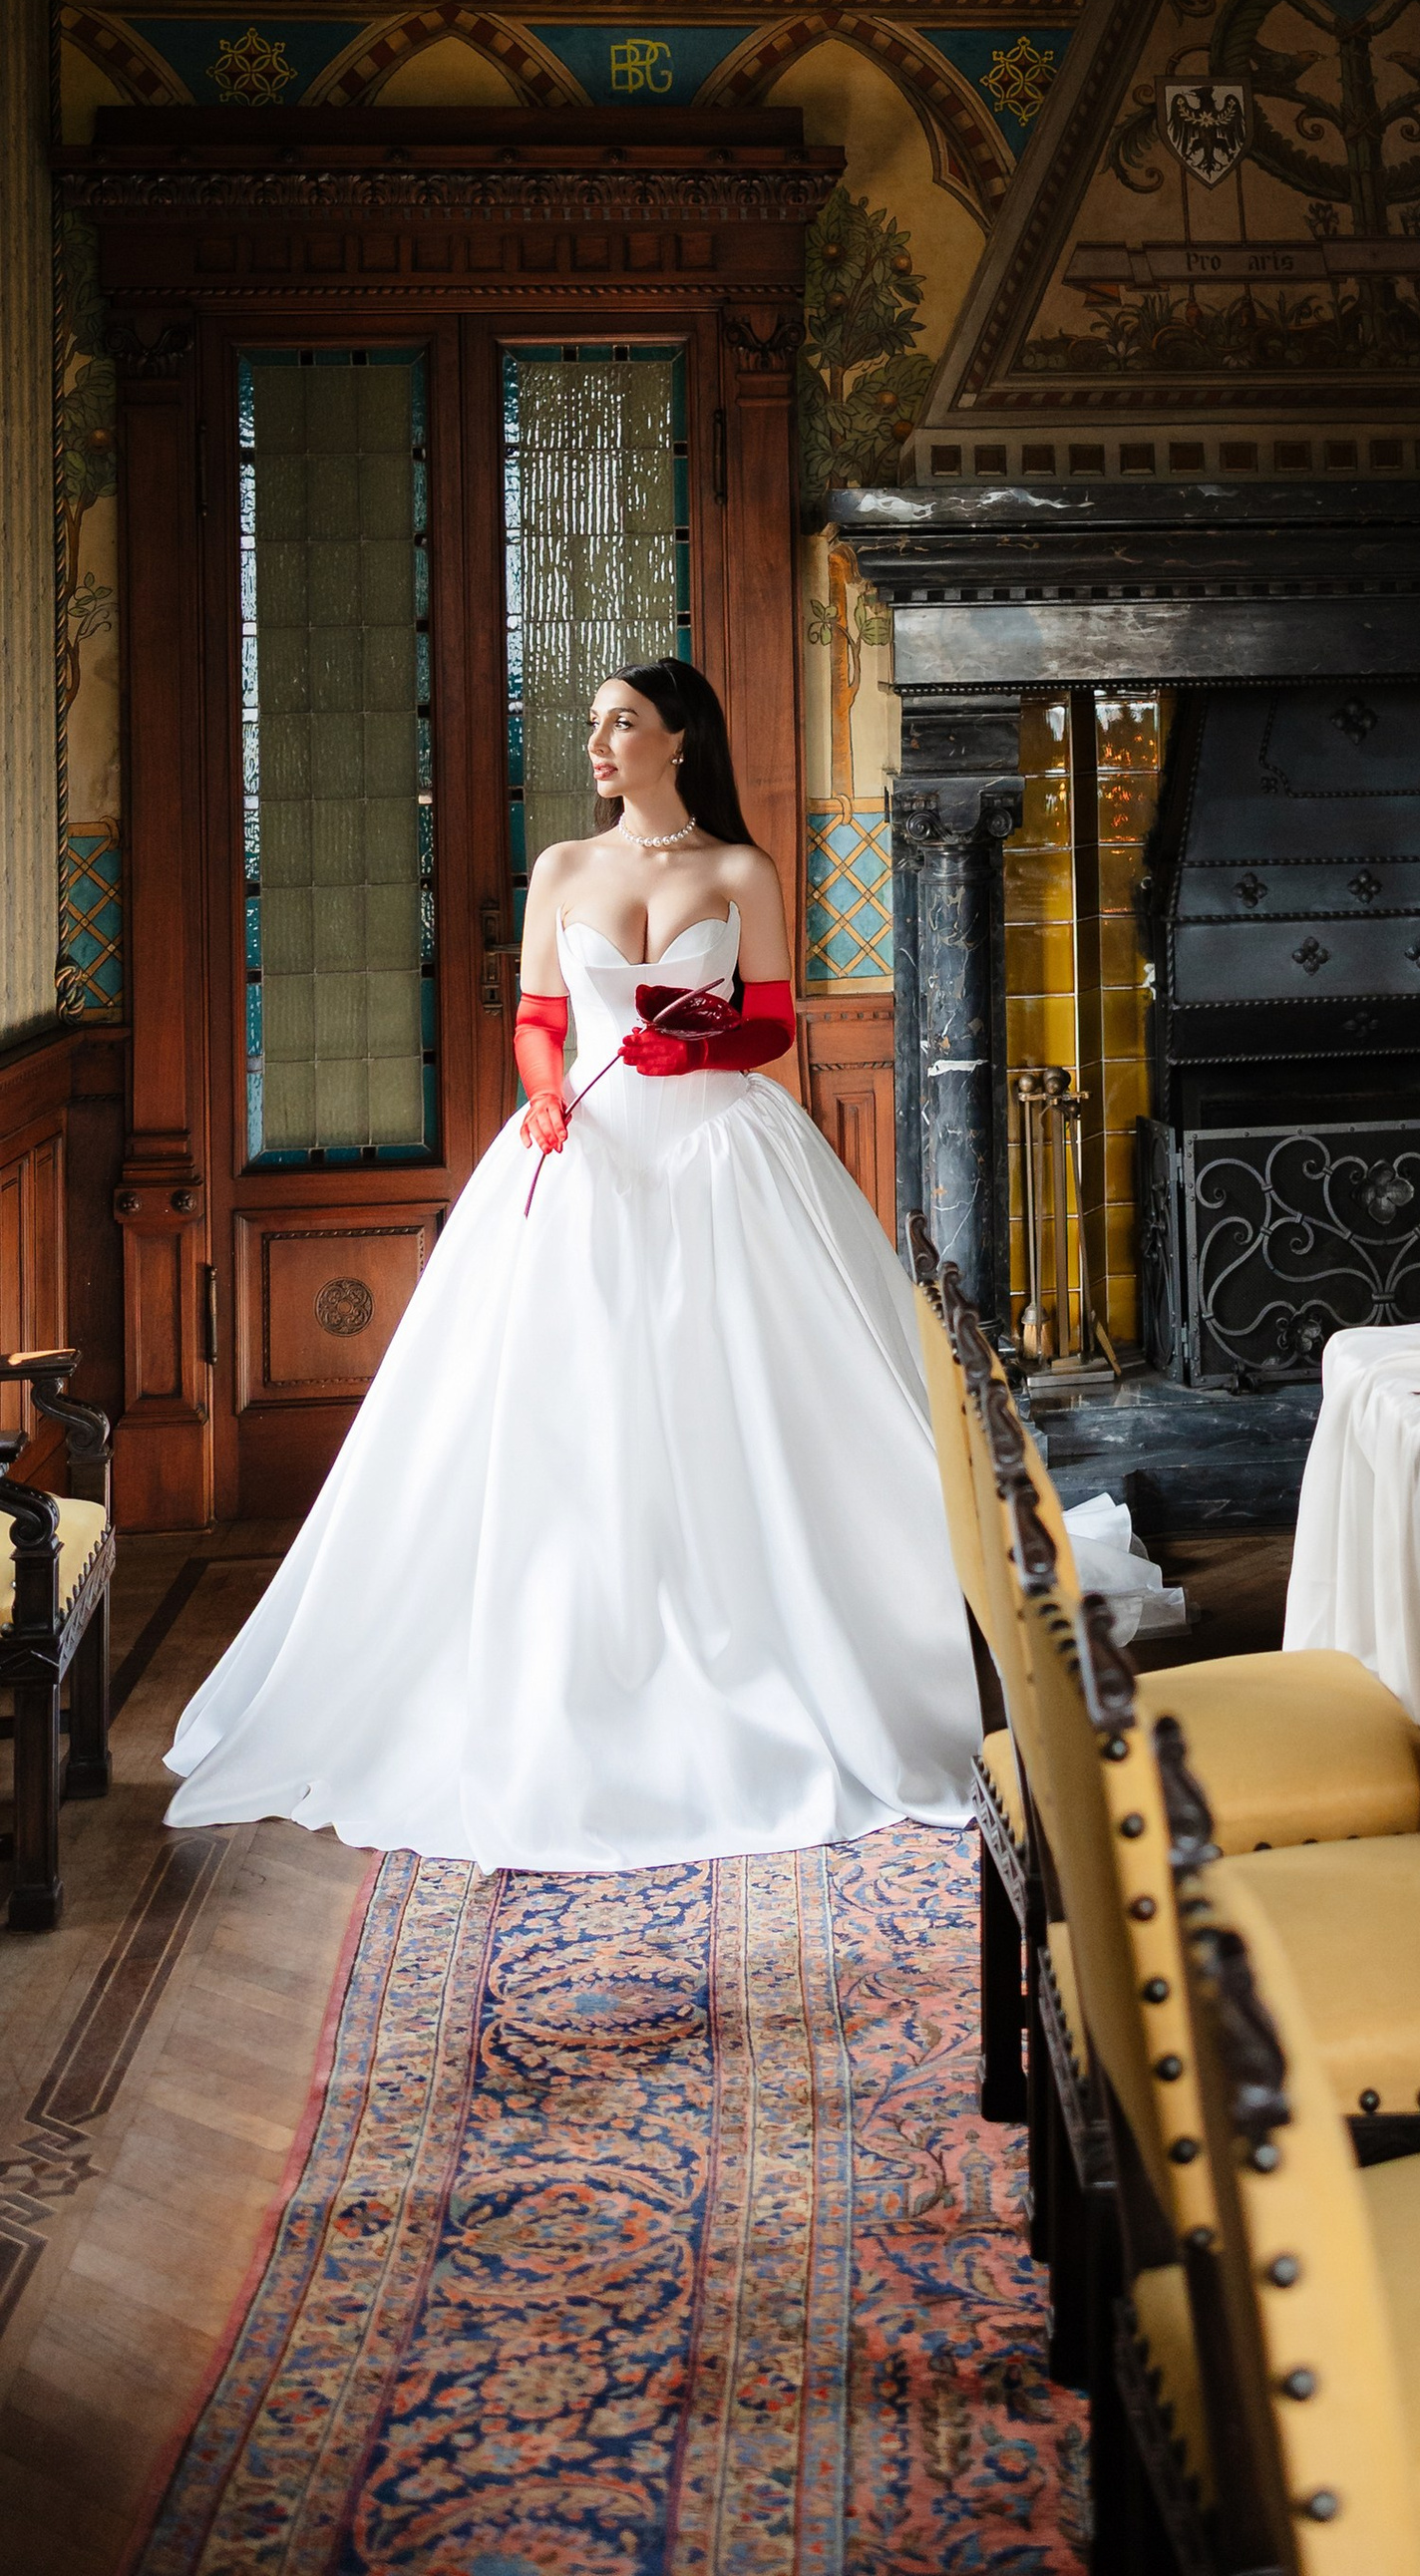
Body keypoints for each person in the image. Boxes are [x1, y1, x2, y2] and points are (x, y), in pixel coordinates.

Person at [166, 662, 978, 1872]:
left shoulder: (738, 871)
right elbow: (540, 1015)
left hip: (721, 1151)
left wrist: (686, 1034)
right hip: (585, 1156)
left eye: (622, 724)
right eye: (595, 725)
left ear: (679, 740)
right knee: (565, 1412)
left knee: (746, 1400)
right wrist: (544, 1101)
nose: (597, 742)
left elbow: (770, 1021)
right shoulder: (560, 868)